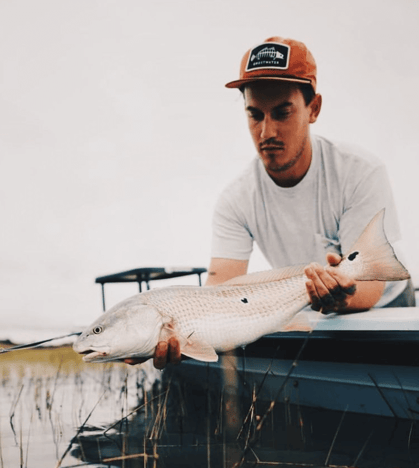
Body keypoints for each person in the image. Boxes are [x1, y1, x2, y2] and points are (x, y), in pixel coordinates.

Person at [125, 36, 415, 369]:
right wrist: (158, 335)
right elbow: (218, 294)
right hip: (313, 307)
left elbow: (370, 283)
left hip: (394, 311)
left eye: (282, 113)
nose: (266, 132)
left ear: (314, 109)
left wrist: (342, 295)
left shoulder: (360, 171)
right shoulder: (236, 199)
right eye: (254, 115)